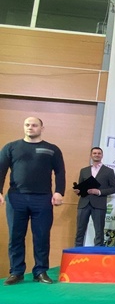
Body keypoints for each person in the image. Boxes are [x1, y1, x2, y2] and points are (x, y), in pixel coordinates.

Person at [0, 117, 66, 285]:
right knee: (15, 236)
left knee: (42, 236)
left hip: (43, 199)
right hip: (16, 197)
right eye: (27, 125)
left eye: (34, 125)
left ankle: (40, 271)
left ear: (42, 128)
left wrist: (59, 192)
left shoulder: (52, 149)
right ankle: (16, 272)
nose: (30, 127)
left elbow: (60, 172)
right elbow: (1, 170)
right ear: (24, 127)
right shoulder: (11, 147)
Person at [73, 147, 115, 247]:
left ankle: (98, 251)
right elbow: (81, 187)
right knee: (80, 230)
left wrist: (98, 192)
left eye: (99, 153)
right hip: (83, 203)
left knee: (99, 231)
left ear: (102, 155)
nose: (97, 155)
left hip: (99, 204)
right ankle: (77, 250)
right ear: (91, 155)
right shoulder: (84, 170)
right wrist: (78, 191)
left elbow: (114, 188)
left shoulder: (108, 171)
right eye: (94, 153)